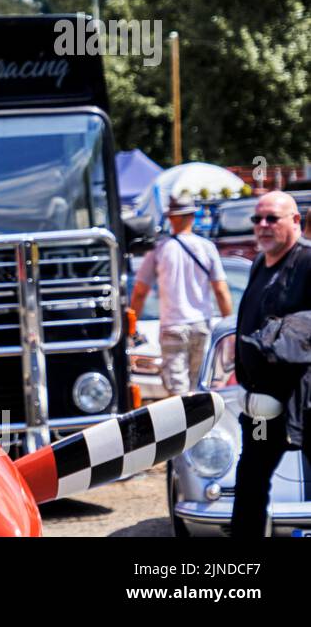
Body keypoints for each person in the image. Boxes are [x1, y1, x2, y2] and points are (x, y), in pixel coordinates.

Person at [231, 191, 311, 537]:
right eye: (257, 219)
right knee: (250, 482)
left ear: (296, 221)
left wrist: (274, 340)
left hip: (305, 401)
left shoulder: (307, 262)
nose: (262, 226)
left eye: (271, 218)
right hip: (263, 405)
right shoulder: (259, 265)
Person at [129, 193, 232, 395]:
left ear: (171, 218)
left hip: (173, 326)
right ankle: (200, 425)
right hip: (202, 324)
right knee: (199, 386)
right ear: (192, 216)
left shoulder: (159, 250)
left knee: (178, 392)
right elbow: (220, 290)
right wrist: (229, 329)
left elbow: (140, 292)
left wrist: (130, 325)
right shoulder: (207, 248)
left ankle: (186, 425)